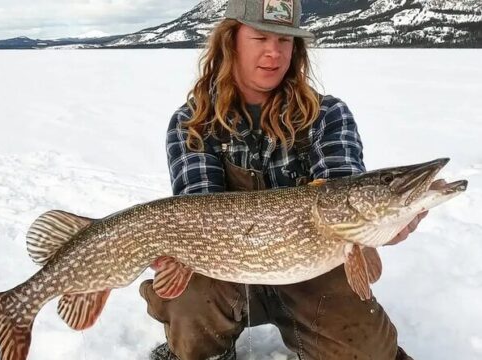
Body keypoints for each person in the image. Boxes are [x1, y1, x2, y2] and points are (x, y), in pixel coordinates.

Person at [139, 0, 427, 359]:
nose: (274, 53)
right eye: (260, 38)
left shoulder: (327, 115)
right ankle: (202, 348)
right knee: (191, 298)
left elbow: (343, 190)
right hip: (224, 272)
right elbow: (199, 207)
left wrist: (379, 226)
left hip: (312, 269)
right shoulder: (193, 122)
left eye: (285, 41)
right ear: (231, 42)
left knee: (369, 351)